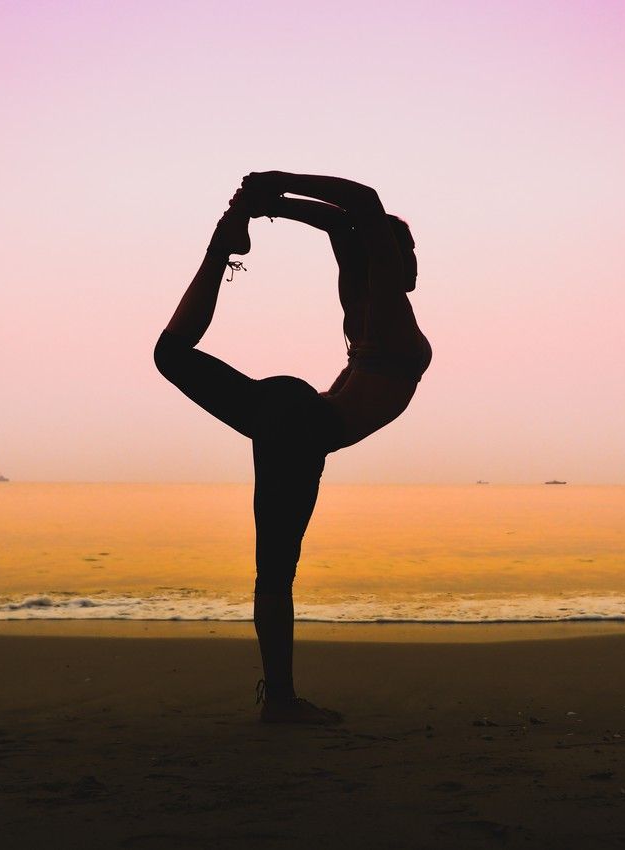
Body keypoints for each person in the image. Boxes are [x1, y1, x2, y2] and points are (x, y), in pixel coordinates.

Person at [153, 172, 431, 724]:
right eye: (409, 250)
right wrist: (274, 186)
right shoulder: (387, 306)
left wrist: (264, 206)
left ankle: (220, 249)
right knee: (276, 576)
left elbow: (338, 220)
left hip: (282, 413)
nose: (418, 260)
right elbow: (362, 206)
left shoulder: (363, 304)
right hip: (302, 425)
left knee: (170, 353)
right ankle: (279, 702)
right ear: (390, 260)